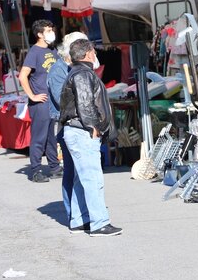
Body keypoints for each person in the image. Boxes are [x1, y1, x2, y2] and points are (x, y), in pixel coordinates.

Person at [58, 38, 121, 236]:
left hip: (77, 130)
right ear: (87, 54)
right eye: (93, 52)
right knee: (92, 178)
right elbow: (85, 104)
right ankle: (99, 223)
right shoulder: (83, 74)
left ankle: (79, 220)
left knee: (81, 177)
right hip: (82, 131)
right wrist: (94, 127)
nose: (95, 55)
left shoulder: (78, 72)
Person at [49, 32, 89, 220]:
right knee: (72, 171)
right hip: (69, 126)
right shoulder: (59, 70)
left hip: (80, 124)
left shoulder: (77, 68)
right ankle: (74, 213)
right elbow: (61, 101)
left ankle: (82, 211)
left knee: (81, 172)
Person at [19, 20, 62, 183]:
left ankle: (55, 167)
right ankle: (36, 170)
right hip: (40, 102)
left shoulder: (53, 50)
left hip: (52, 101)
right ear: (39, 34)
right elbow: (23, 75)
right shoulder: (34, 52)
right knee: (39, 137)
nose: (52, 32)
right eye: (48, 30)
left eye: (52, 29)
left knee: (51, 136)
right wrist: (32, 96)